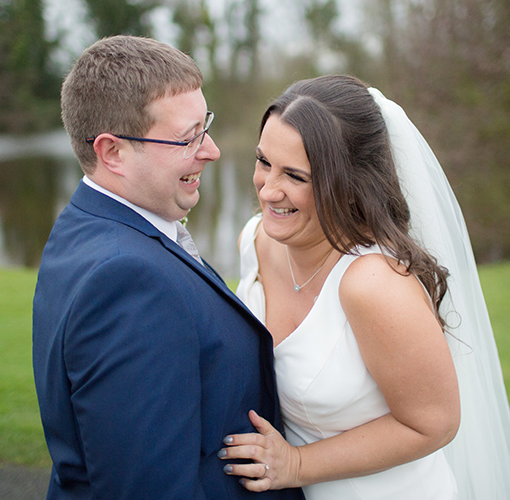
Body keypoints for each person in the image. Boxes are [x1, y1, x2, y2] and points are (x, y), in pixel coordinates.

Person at [222, 75, 510, 499]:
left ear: (347, 184)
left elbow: (434, 423)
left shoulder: (373, 284)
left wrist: (296, 464)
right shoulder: (256, 240)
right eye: (263, 162)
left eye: (295, 175)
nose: (269, 189)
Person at [32, 35, 305, 500]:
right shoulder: (128, 281)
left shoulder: (86, 225)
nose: (212, 150)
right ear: (112, 152)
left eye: (206, 126)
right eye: (187, 137)